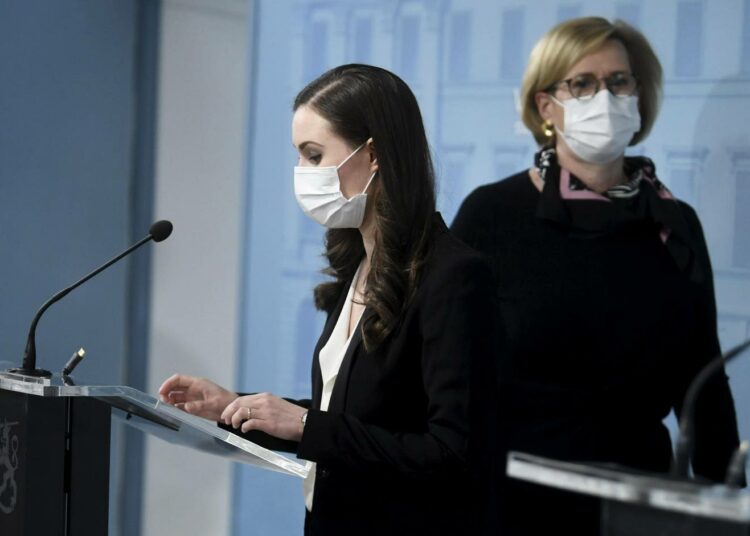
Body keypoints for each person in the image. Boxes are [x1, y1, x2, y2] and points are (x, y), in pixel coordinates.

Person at [159, 64, 498, 535]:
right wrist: (235, 405)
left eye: (314, 155)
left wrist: (305, 425)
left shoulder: (454, 276)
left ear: (373, 154)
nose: (302, 173)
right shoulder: (359, 265)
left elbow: (450, 452)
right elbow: (357, 420)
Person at [451, 16, 742, 534]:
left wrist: (727, 507)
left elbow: (704, 382)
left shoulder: (674, 224)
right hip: (514, 503)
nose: (605, 97)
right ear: (546, 106)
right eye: (582, 84)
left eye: (619, 81)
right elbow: (448, 370)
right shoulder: (491, 214)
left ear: (639, 95)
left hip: (639, 506)